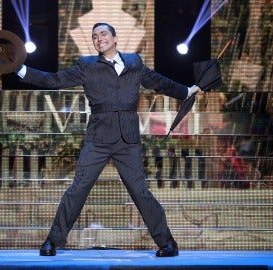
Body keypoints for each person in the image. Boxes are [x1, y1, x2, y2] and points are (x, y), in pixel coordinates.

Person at [16, 22, 202, 257]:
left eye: (103, 34)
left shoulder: (134, 62)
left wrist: (187, 91)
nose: (99, 38)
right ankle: (53, 241)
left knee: (140, 191)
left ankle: (168, 243)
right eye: (95, 36)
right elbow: (53, 80)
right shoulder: (87, 65)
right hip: (98, 139)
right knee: (78, 189)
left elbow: (159, 82)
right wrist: (20, 69)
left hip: (128, 140)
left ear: (115, 38)